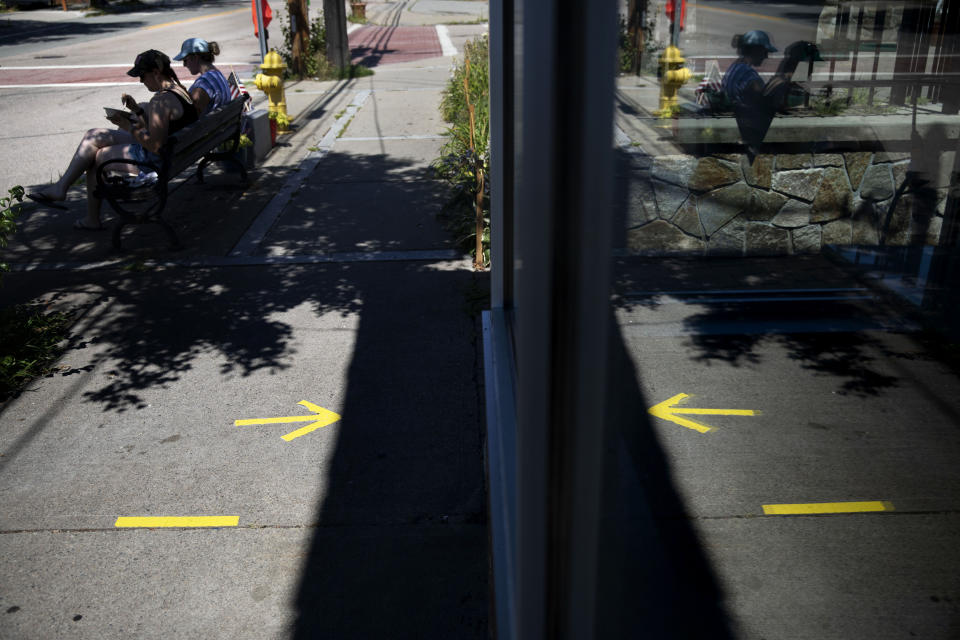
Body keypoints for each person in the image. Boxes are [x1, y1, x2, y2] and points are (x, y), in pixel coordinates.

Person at [27, 49, 197, 230]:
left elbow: (155, 145)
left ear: (155, 72)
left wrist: (128, 126)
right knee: (94, 135)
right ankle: (61, 188)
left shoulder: (160, 101)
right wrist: (138, 111)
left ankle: (89, 217)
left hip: (156, 162)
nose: (141, 81)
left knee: (96, 157)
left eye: (142, 75)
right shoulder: (180, 90)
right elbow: (164, 130)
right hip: (174, 154)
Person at [721, 31, 821, 158]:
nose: (766, 56)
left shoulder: (735, 68)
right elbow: (765, 108)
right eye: (765, 52)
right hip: (752, 136)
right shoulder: (751, 78)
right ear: (756, 50)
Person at [173, 38, 231, 116]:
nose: (184, 65)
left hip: (209, 127)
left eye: (185, 60)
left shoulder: (204, 83)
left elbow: (190, 115)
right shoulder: (217, 74)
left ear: (195, 57)